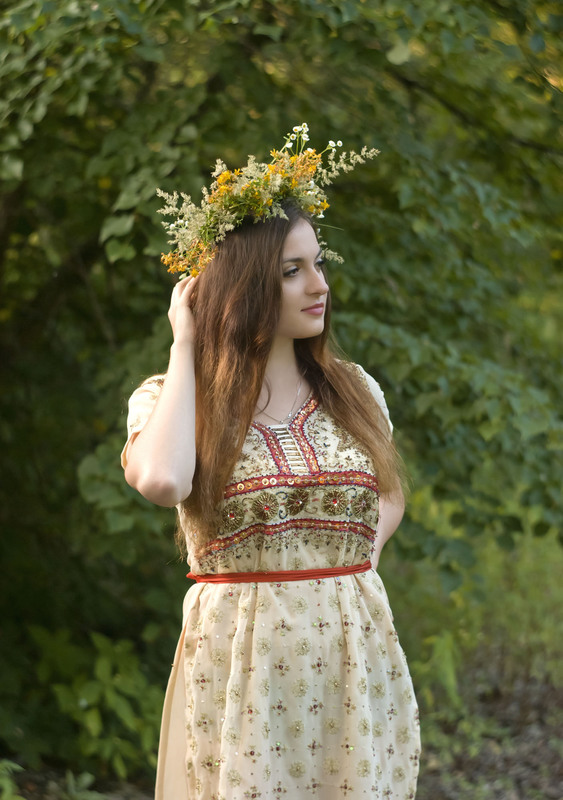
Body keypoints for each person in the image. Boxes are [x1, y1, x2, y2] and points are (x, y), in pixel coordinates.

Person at [121, 125, 420, 799]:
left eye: (317, 263)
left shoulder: (354, 390)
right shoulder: (170, 401)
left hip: (351, 657)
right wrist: (185, 345)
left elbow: (388, 493)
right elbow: (163, 480)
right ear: (246, 287)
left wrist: (342, 573)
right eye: (292, 270)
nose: (318, 284)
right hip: (241, 666)